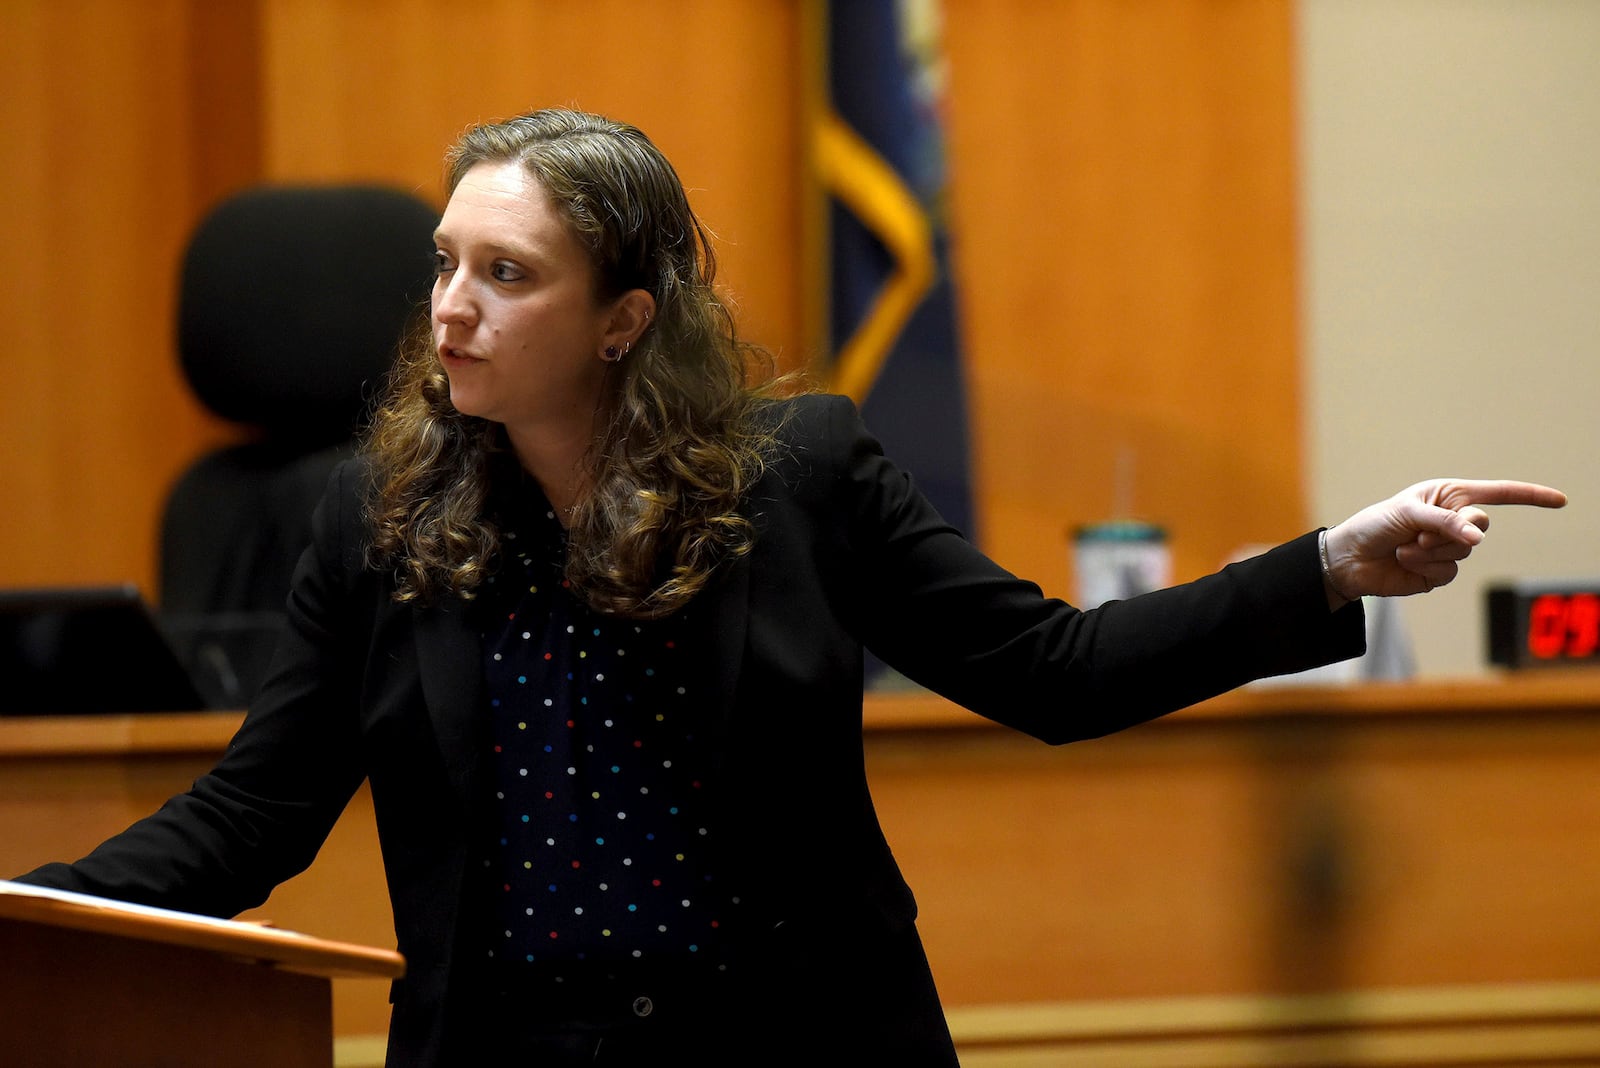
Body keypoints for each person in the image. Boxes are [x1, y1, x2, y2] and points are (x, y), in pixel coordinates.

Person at [15, 108, 1566, 1066]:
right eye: (441, 265)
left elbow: (1059, 671)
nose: (449, 311)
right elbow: (251, 818)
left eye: (506, 274)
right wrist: (31, 916)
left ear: (624, 317)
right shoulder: (378, 515)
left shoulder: (798, 476)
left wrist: (1322, 567)